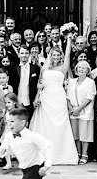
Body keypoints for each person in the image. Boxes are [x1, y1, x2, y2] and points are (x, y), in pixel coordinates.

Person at [29, 31, 78, 165]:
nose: (56, 56)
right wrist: (36, 98)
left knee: (60, 125)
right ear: (50, 55)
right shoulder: (44, 68)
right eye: (53, 54)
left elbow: (68, 55)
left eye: (58, 54)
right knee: (45, 126)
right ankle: (43, 155)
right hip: (46, 98)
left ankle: (61, 155)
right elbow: (40, 84)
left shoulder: (63, 68)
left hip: (59, 98)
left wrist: (68, 40)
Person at [67, 60, 97, 164]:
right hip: (73, 111)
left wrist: (78, 109)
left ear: (88, 70)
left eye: (84, 67)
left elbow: (89, 97)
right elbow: (67, 97)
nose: (81, 69)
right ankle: (78, 153)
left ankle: (84, 154)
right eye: (79, 67)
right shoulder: (71, 82)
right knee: (76, 134)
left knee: (85, 134)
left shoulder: (90, 82)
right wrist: (71, 109)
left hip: (85, 111)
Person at [9, 45, 40, 119]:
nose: (24, 55)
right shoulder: (13, 68)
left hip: (30, 101)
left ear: (29, 54)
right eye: (22, 53)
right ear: (19, 54)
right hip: (17, 101)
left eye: (26, 53)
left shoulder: (35, 68)